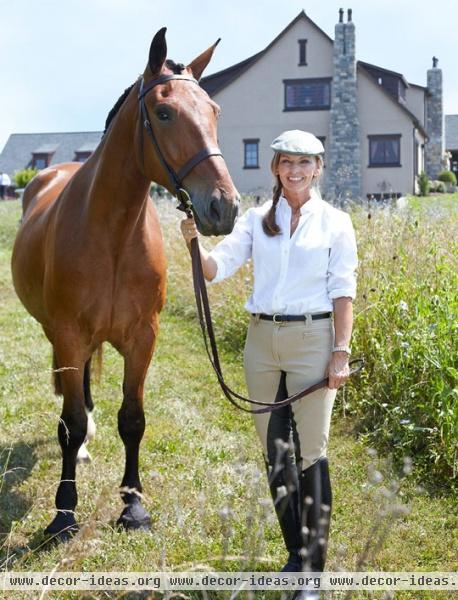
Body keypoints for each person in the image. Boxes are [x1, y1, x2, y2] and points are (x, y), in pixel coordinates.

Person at [180, 130, 358, 599]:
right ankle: (295, 554)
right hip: (261, 342)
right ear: (276, 168)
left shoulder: (335, 222)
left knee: (312, 453)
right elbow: (218, 268)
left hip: (312, 340)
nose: (295, 171)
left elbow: (343, 292)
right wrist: (194, 245)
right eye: (287, 163)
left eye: (304, 163)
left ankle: (313, 577)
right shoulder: (258, 220)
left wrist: (340, 351)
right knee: (274, 451)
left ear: (317, 168)